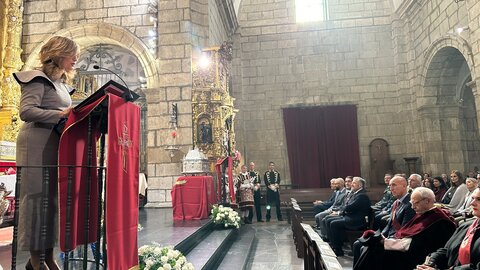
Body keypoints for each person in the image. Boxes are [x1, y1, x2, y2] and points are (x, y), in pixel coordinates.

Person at [14, 36, 78, 270]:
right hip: (35, 144)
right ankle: (35, 261)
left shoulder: (61, 83)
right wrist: (60, 115)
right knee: (35, 200)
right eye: (73, 54)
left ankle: (48, 258)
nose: (76, 59)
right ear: (60, 54)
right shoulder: (36, 79)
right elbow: (26, 111)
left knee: (50, 203)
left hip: (53, 144)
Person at [355, 187, 456, 270]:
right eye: (411, 203)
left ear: (428, 201)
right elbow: (406, 233)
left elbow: (418, 244)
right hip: (408, 249)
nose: (412, 207)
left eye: (415, 203)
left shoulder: (439, 220)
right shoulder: (423, 213)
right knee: (370, 247)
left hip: (418, 257)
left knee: (376, 253)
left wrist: (386, 242)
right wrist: (387, 241)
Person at [353, 175, 416, 264]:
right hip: (388, 236)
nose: (391, 188)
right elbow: (389, 225)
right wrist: (380, 235)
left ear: (404, 186)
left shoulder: (410, 204)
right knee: (357, 244)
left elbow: (404, 230)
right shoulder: (396, 202)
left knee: (363, 247)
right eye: (390, 186)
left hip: (397, 241)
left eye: (394, 185)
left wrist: (384, 240)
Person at [416, 188, 480, 270]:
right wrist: (431, 262)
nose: (472, 203)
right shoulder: (466, 226)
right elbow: (446, 250)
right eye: (472, 198)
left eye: (479, 199)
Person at [326, 177, 371, 256]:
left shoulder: (362, 196)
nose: (351, 185)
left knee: (333, 223)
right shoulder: (356, 194)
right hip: (350, 217)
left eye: (354, 183)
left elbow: (349, 207)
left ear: (360, 185)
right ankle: (334, 245)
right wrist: (344, 208)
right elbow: (346, 205)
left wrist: (343, 209)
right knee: (328, 219)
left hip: (356, 221)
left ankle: (338, 249)